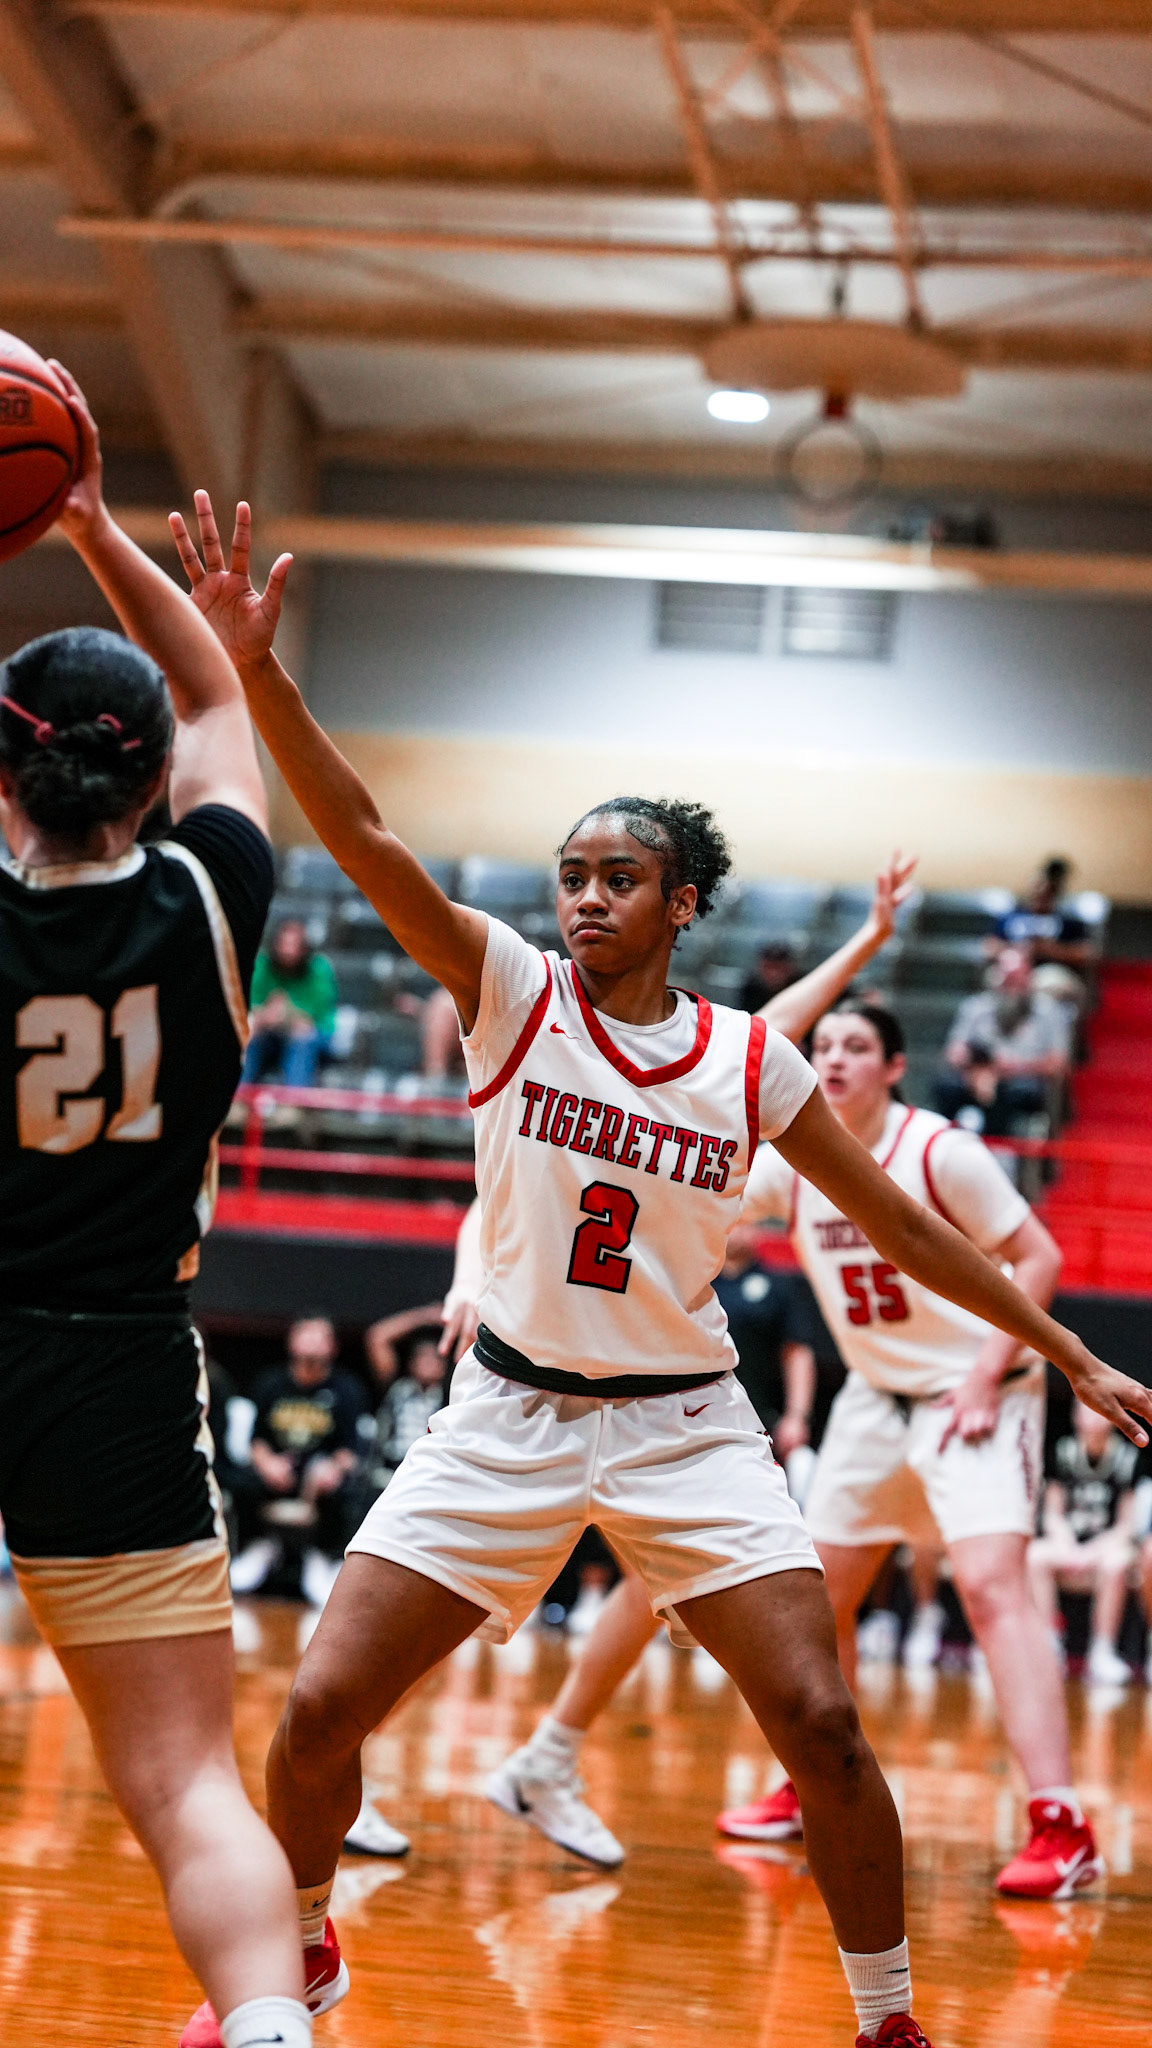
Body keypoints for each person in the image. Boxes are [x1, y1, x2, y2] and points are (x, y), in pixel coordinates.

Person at [171, 492, 1149, 2048]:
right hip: (506, 1415)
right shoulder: (509, 991)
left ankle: (888, 2022)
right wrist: (259, 673)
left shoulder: (752, 1062)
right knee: (317, 1711)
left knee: (823, 1722)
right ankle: (300, 1955)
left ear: (681, 902)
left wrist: (1071, 1349)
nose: (584, 896)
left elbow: (912, 1230)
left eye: (617, 876)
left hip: (685, 1424)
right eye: (570, 872)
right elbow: (361, 835)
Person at [0, 376, 314, 2048]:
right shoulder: (209, 901)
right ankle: (267, 2028)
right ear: (150, 780)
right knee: (188, 1782)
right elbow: (214, 693)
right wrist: (89, 522)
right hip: (116, 1365)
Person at [720, 1001, 1102, 1900]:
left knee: (992, 1588)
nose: (834, 1059)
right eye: (823, 1046)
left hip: (977, 1393)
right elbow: (712, 1196)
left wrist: (984, 1376)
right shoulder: (797, 1161)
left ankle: (1063, 1825)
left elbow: (1039, 1259)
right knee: (815, 1600)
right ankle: (816, 1782)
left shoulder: (940, 1152)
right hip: (872, 1399)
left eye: (856, 1047)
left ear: (894, 1067)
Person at [230, 1317, 367, 1610]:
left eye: (321, 1337)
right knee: (241, 1482)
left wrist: (332, 1468)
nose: (313, 1343)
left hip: (319, 1474)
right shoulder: (271, 1383)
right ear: (292, 1342)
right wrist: (268, 1464)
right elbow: (256, 1441)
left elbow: (351, 1449)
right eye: (307, 1335)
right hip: (278, 1470)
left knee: (347, 1493)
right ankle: (259, 1546)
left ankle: (322, 1557)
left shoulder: (346, 1388)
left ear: (333, 1347)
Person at [1029, 1403, 1139, 1687]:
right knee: (1035, 1555)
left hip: (1103, 1551)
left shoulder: (1127, 1458)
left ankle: (1102, 1650)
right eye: (1085, 1409)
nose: (1091, 1416)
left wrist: (1091, 1552)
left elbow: (1126, 1526)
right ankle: (1049, 1643)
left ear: (1113, 1418)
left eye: (1097, 1410)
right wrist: (1067, 1546)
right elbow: (1052, 1514)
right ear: (1075, 1416)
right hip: (1068, 1548)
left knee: (1118, 1561)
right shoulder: (1063, 1452)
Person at [934, 948, 1070, 1138]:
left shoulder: (1049, 1011)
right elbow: (954, 1052)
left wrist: (1009, 1069)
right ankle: (948, 1142)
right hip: (976, 1076)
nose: (1012, 986)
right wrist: (978, 1072)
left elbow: (1057, 1063)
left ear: (1029, 977)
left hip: (1022, 1080)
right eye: (1007, 979)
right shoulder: (976, 1006)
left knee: (1011, 1093)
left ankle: (999, 1148)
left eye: (1017, 978)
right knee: (946, 1086)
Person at [244, 918, 337, 1086]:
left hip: (313, 1034)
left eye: (294, 945)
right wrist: (265, 1016)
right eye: (284, 944)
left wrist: (286, 1013)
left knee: (302, 1038)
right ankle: (240, 1093)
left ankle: (294, 1098)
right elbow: (252, 1008)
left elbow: (316, 1016)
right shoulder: (262, 965)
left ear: (304, 948)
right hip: (269, 1033)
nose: (288, 951)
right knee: (249, 1034)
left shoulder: (319, 969)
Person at [739, 939, 799, 1014]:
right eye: (769, 967)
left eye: (778, 967)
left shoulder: (799, 988)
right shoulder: (751, 990)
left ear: (790, 968)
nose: (774, 973)